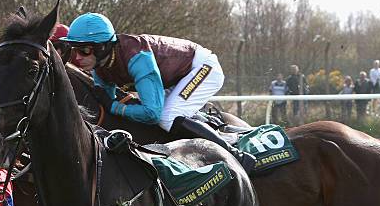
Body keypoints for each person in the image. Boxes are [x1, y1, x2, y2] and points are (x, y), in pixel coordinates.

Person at [61, 13, 255, 173]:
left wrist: (115, 106)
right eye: (74, 49)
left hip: (202, 67)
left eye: (84, 50)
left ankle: (235, 155)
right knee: (169, 115)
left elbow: (151, 114)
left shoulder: (137, 57)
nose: (77, 58)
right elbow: (109, 106)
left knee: (166, 116)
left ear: (103, 47)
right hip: (176, 77)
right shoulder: (100, 66)